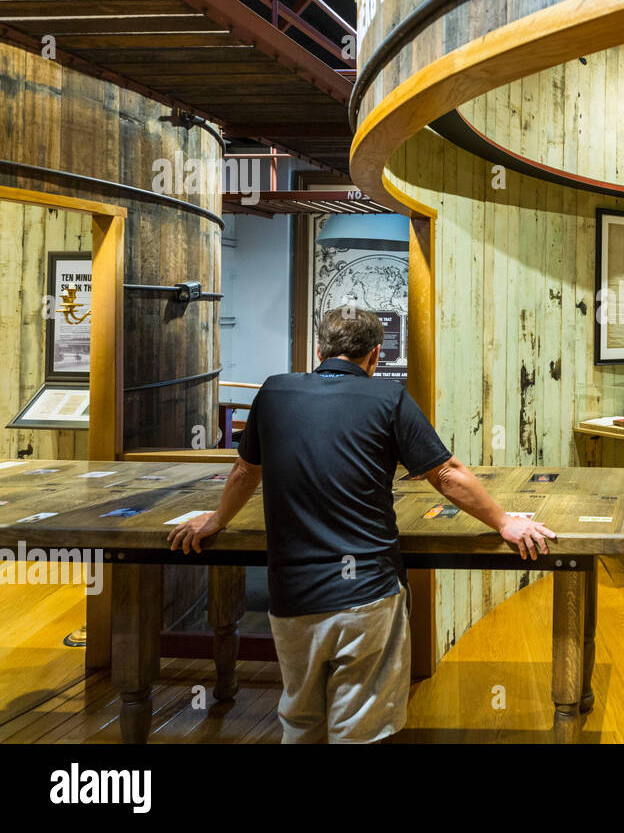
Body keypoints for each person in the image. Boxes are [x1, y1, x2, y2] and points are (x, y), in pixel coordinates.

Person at [167, 306, 555, 743]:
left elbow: (244, 472)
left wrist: (215, 519)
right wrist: (504, 522)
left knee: (300, 721)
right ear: (375, 356)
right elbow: (445, 474)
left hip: (292, 595)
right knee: (361, 729)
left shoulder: (274, 392)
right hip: (366, 594)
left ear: (319, 350)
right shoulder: (388, 398)